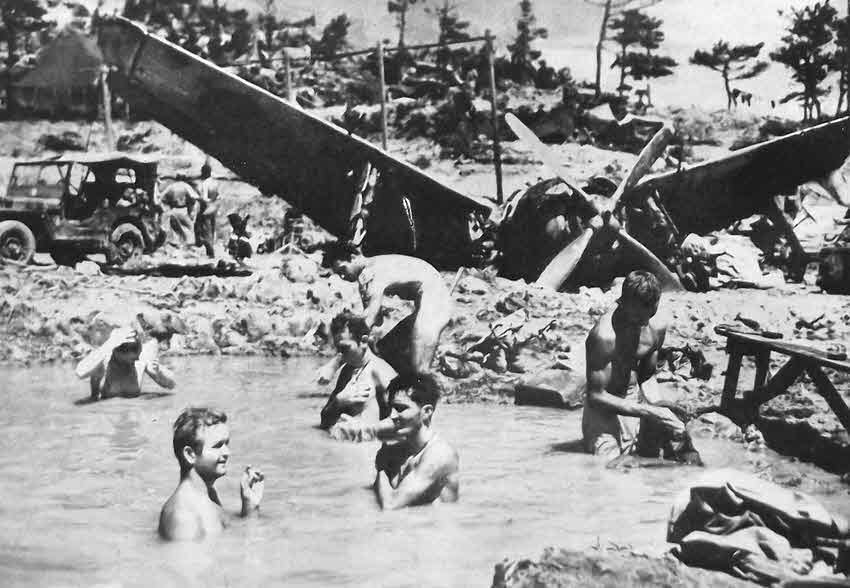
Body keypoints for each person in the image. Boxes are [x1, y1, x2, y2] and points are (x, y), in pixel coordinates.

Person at [581, 270, 686, 459]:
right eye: (636, 318)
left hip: (632, 401)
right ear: (623, 303)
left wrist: (661, 407)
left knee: (662, 455)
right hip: (602, 410)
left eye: (648, 316)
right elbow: (595, 395)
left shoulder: (656, 326)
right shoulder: (604, 337)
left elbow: (647, 376)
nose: (642, 323)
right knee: (607, 467)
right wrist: (650, 411)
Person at [322, 242, 453, 377]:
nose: (343, 277)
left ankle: (426, 386)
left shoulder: (373, 271)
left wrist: (337, 362)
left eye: (343, 270)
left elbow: (370, 320)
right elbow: (375, 321)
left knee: (419, 369)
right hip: (426, 302)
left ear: (353, 257)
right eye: (339, 274)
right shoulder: (365, 278)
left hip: (436, 299)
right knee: (385, 350)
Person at [159, 407, 265, 542]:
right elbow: (183, 560)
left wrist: (250, 509)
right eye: (218, 446)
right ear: (190, 455)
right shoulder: (183, 515)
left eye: (226, 444)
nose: (227, 452)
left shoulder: (207, 496)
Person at [373, 373, 459, 509]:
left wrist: (381, 467)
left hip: (434, 528)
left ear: (426, 412)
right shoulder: (396, 450)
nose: (392, 416)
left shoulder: (439, 454)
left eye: (400, 408)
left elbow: (390, 504)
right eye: (391, 408)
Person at [319, 310, 397, 442]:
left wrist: (367, 428)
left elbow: (405, 423)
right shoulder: (348, 370)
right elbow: (324, 421)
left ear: (364, 341)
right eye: (338, 349)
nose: (340, 355)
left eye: (344, 348)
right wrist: (338, 402)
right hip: (343, 449)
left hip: (365, 453)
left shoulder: (381, 372)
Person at [75, 326, 175, 400]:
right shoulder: (102, 362)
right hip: (105, 418)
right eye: (126, 349)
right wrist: (110, 343)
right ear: (115, 349)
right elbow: (80, 372)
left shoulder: (140, 361)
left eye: (135, 348)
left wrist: (159, 374)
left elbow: (172, 385)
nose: (132, 354)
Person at [159, 178, 199, 245]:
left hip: (174, 210)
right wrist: (192, 211)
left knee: (177, 227)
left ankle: (179, 241)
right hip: (183, 210)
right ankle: (186, 241)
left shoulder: (171, 186)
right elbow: (194, 198)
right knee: (188, 227)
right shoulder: (186, 186)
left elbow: (162, 198)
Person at [195, 163, 220, 258]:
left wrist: (198, 198)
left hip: (206, 208)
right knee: (212, 229)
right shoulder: (215, 182)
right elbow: (218, 196)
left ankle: (210, 252)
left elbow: (204, 198)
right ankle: (211, 249)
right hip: (213, 207)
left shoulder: (205, 183)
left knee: (205, 230)